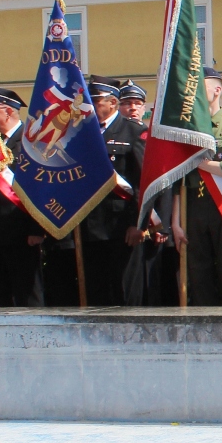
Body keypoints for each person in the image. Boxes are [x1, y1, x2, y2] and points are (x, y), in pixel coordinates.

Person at [174, 68, 222, 306]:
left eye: (200, 84)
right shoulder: (186, 128)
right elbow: (178, 179)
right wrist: (175, 223)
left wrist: (198, 161)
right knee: (198, 275)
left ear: (217, 90)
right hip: (193, 206)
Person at [75, 78, 145, 306]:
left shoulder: (133, 132)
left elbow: (141, 181)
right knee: (96, 291)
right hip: (89, 224)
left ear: (113, 102)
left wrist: (138, 223)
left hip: (122, 225)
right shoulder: (83, 133)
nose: (90, 106)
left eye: (95, 101)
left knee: (125, 290)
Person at [0, 89, 44, 307]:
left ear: (6, 112)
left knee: (27, 290)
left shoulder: (31, 140)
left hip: (21, 229)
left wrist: (36, 228)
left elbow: (39, 186)